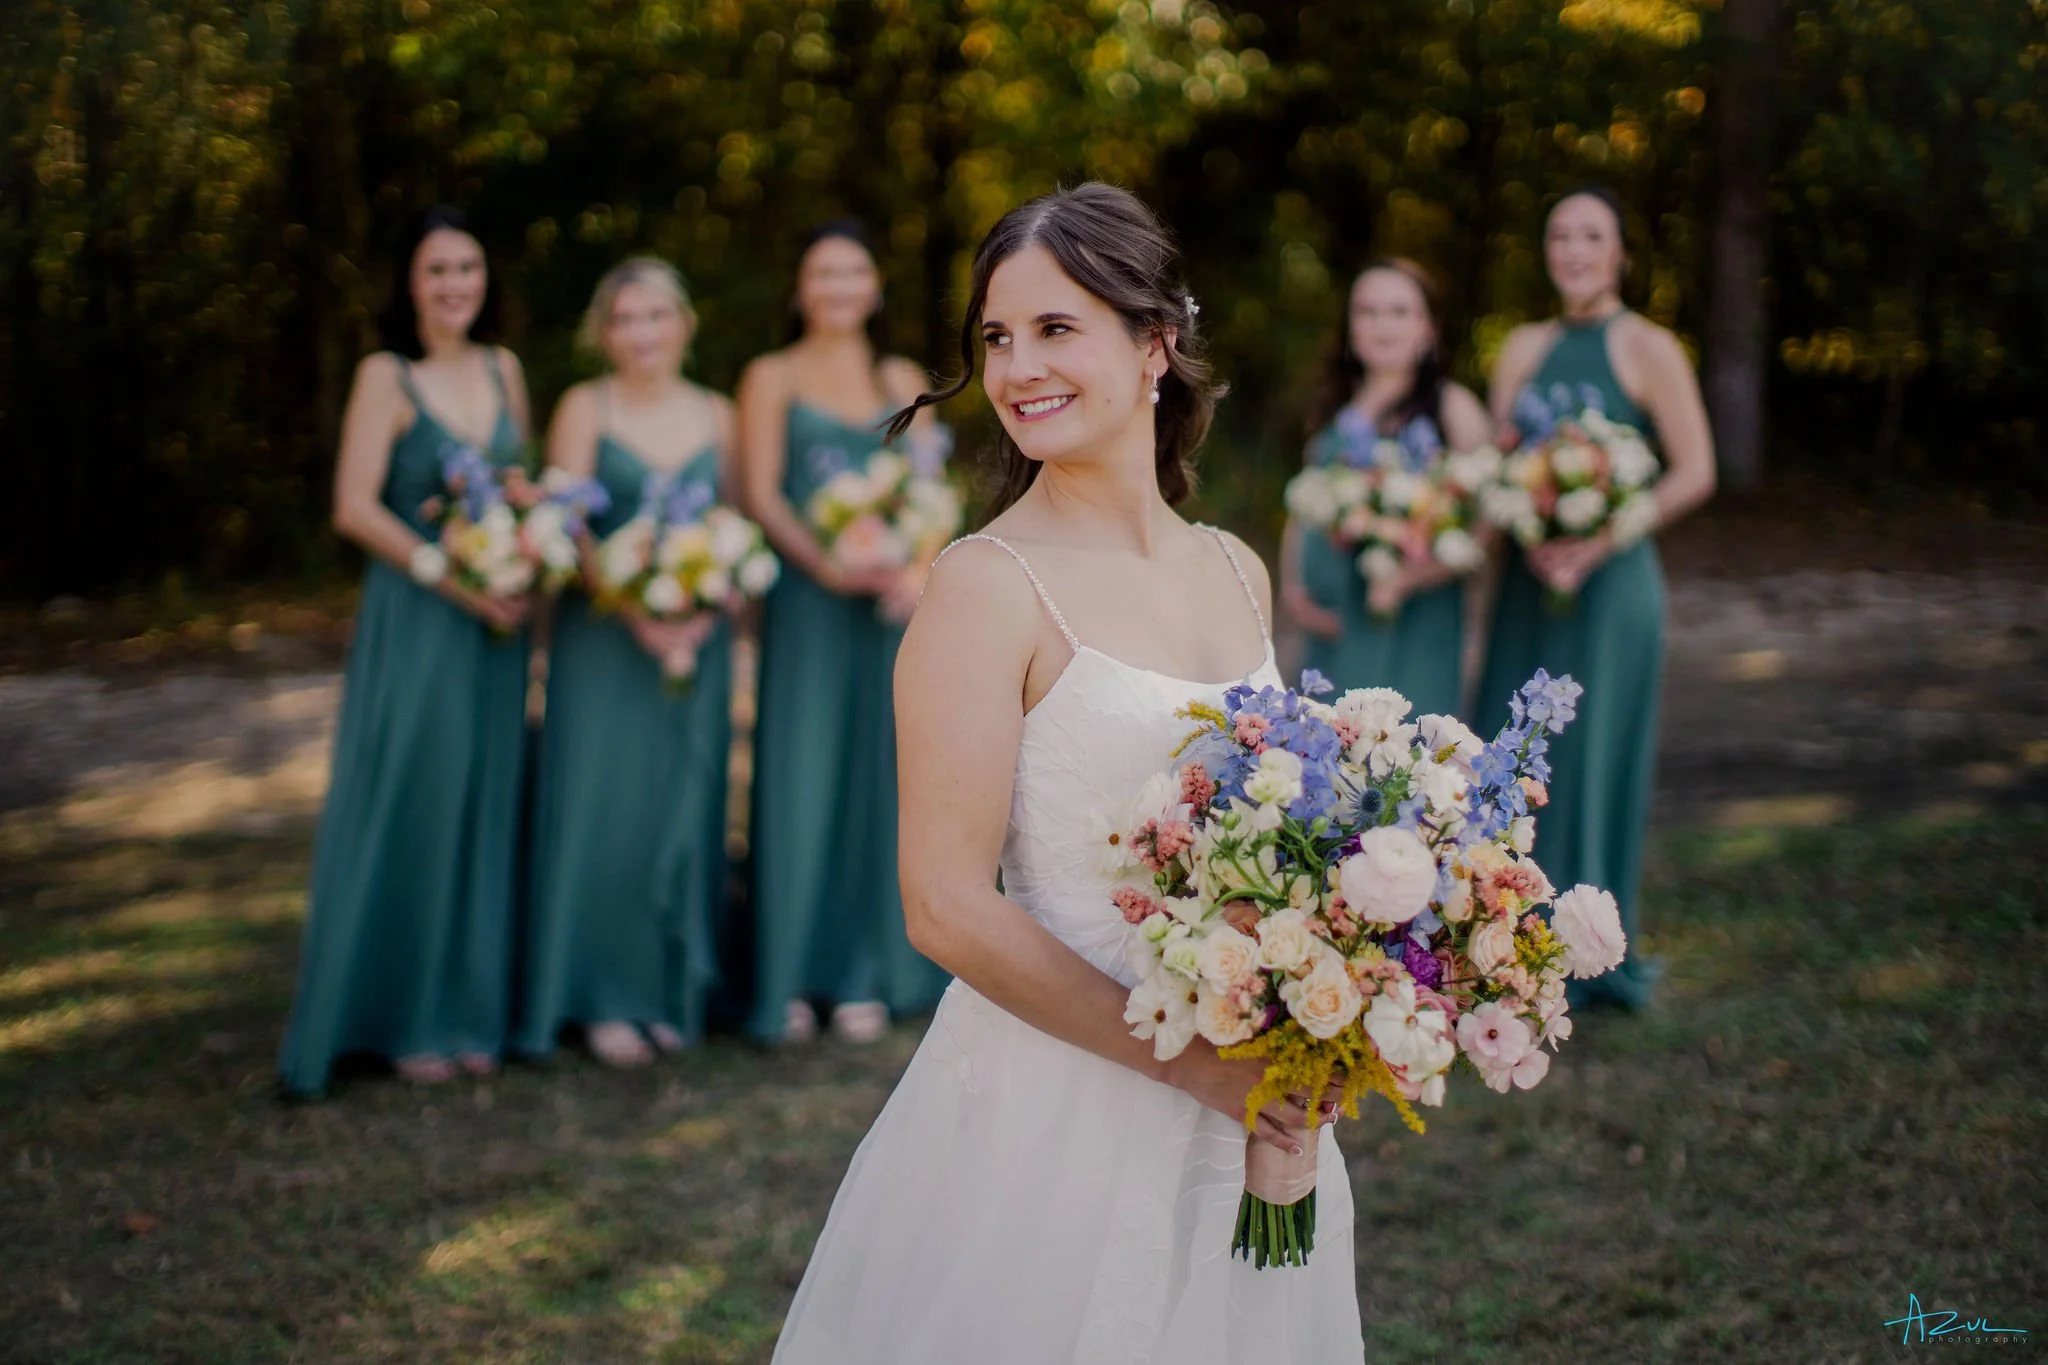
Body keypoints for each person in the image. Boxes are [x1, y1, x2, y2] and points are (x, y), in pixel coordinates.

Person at [773, 183, 1363, 1363]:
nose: (1014, 367)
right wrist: (1200, 1070)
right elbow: (943, 905)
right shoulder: (985, 586)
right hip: (1051, 1117)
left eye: (1054, 329)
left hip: (1256, 1096)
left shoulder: (1235, 570)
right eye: (995, 336)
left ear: (1154, 345)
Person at [278, 206, 532, 1095]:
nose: (455, 284)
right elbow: (354, 506)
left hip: (498, 622)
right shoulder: (387, 376)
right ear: (411, 285)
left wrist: (532, 539)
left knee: (482, 800)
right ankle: (400, 1016)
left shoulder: (505, 370)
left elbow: (513, 485)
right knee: (416, 796)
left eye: (468, 267)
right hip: (421, 617)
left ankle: (467, 1010)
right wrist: (451, 575)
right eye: (437, 271)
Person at [1477, 186, 1716, 1009]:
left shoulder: (1649, 347)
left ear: (1619, 253)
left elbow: (1696, 469)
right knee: (1509, 753)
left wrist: (1599, 540)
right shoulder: (1520, 348)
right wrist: (1526, 523)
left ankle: (1588, 954)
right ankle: (1498, 942)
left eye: (1592, 235)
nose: (1574, 250)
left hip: (1611, 587)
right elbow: (1502, 457)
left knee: (1594, 757)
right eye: (1560, 235)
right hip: (1528, 582)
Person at [518, 257, 736, 1068]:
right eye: (624, 319)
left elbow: (734, 525)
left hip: (695, 642)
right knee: (603, 807)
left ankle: (669, 986)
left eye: (656, 316)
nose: (642, 333)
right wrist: (637, 612)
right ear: (603, 333)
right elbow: (566, 528)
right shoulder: (586, 406)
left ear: (683, 322)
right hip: (604, 641)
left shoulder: (720, 413)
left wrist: (701, 608)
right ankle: (601, 993)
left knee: (683, 802)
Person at [735, 221, 950, 1044]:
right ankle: (790, 973)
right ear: (799, 288)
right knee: (800, 778)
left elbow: (929, 490)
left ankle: (868, 969)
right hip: (810, 605)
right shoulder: (771, 375)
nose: (837, 286)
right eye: (821, 272)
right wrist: (825, 567)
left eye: (852, 270)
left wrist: (915, 562)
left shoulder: (899, 375)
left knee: (880, 781)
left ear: (875, 286)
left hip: (887, 611)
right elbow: (761, 492)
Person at [1280, 258, 1493, 716]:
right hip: (1333, 628)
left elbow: (1485, 525)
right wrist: (1293, 589)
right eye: (1368, 312)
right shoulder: (1336, 406)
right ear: (1351, 327)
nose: (1382, 325)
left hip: (1412, 621)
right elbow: (1302, 506)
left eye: (1399, 312)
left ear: (1428, 327)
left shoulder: (1454, 409)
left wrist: (1408, 579)